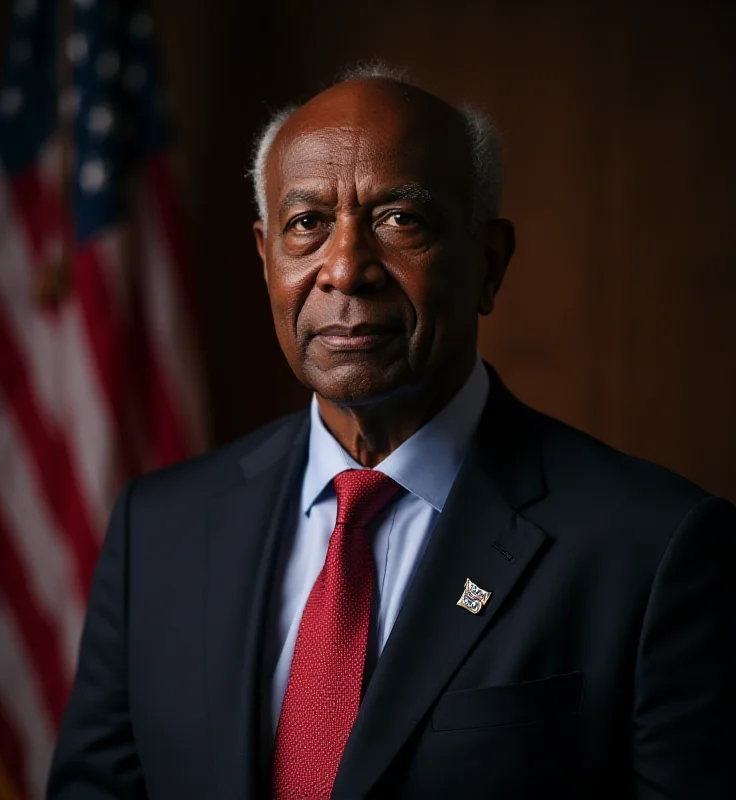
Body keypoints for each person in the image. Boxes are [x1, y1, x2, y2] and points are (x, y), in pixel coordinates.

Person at [47, 64, 736, 799]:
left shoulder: (655, 550)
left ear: (489, 264)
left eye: (400, 220)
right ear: (266, 258)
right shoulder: (157, 531)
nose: (345, 268)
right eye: (307, 224)